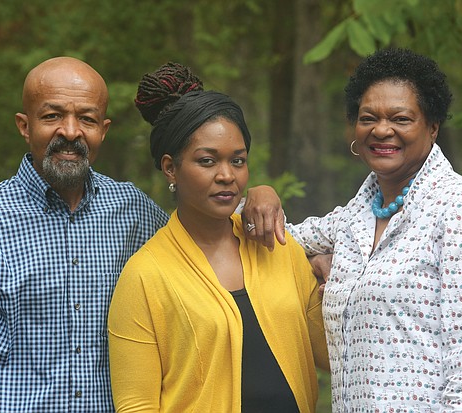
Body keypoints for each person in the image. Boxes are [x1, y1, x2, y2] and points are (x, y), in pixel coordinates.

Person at [243, 48, 462, 411]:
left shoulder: (461, 212)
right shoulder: (356, 216)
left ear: (432, 126)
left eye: (401, 118)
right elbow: (275, 236)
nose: (382, 129)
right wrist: (262, 195)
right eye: (368, 118)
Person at [0, 57, 170, 412]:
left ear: (103, 129)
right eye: (52, 116)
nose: (70, 132)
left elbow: (204, 252)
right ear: (24, 126)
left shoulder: (136, 214)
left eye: (86, 118)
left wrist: (255, 200)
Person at [107, 62, 329, 412]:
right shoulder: (145, 276)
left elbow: (334, 352)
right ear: (171, 168)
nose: (227, 175)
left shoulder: (277, 247)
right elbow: (136, 404)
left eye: (238, 161)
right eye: (207, 161)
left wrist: (339, 274)